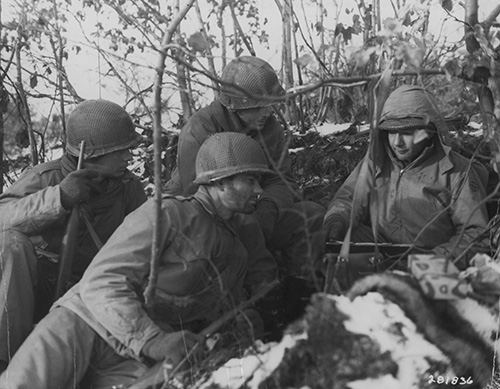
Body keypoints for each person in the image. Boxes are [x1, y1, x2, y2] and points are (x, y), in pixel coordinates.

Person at [0, 132, 278, 389]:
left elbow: (205, 313)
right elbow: (101, 281)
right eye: (250, 180)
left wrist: (239, 322)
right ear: (219, 181)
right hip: (84, 324)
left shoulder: (238, 248)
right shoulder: (167, 213)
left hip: (133, 355)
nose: (259, 191)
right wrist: (153, 340)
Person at [0, 99, 147, 372]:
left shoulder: (128, 188)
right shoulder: (45, 178)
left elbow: (146, 242)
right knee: (9, 243)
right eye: (121, 151)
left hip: (91, 292)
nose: (129, 157)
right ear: (91, 152)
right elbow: (3, 219)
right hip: (36, 289)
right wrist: (59, 197)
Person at [166, 55, 324, 284]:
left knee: (311, 215)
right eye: (259, 106)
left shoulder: (270, 128)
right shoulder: (199, 129)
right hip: (205, 222)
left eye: (270, 104)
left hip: (256, 210)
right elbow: (198, 196)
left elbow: (282, 181)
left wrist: (266, 209)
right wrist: (246, 222)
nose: (269, 111)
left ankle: (299, 290)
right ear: (235, 107)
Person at [324, 84, 489, 268]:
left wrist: (430, 262)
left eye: (407, 133)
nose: (397, 142)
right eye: (392, 132)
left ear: (429, 132)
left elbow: (475, 234)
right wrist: (337, 219)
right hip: (378, 252)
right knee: (321, 231)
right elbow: (349, 198)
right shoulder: (376, 161)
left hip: (431, 260)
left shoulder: (457, 171)